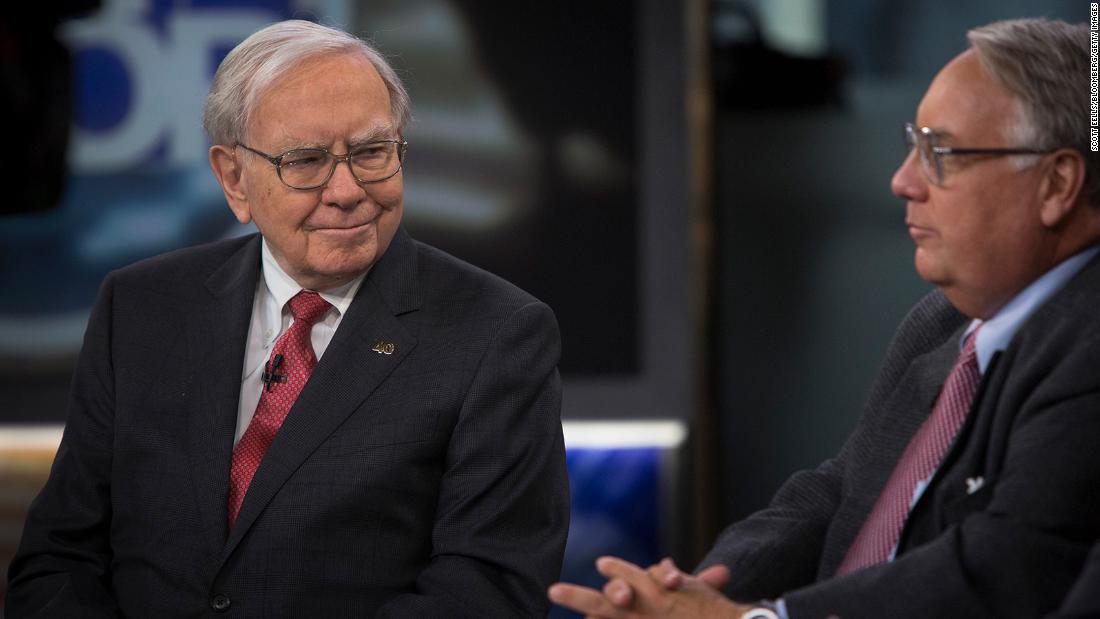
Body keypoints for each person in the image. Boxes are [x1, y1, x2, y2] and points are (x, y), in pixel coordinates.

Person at [6, 19, 569, 617]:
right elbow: (61, 557)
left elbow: (488, 587)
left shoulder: (498, 332)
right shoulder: (141, 307)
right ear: (233, 178)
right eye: (305, 161)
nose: (348, 190)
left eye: (372, 152)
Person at [550, 17, 1100, 619]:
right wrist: (698, 589)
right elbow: (839, 490)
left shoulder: (1086, 341)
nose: (903, 181)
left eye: (940, 153)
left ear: (1058, 184)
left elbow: (1004, 567)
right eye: (912, 145)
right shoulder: (941, 322)